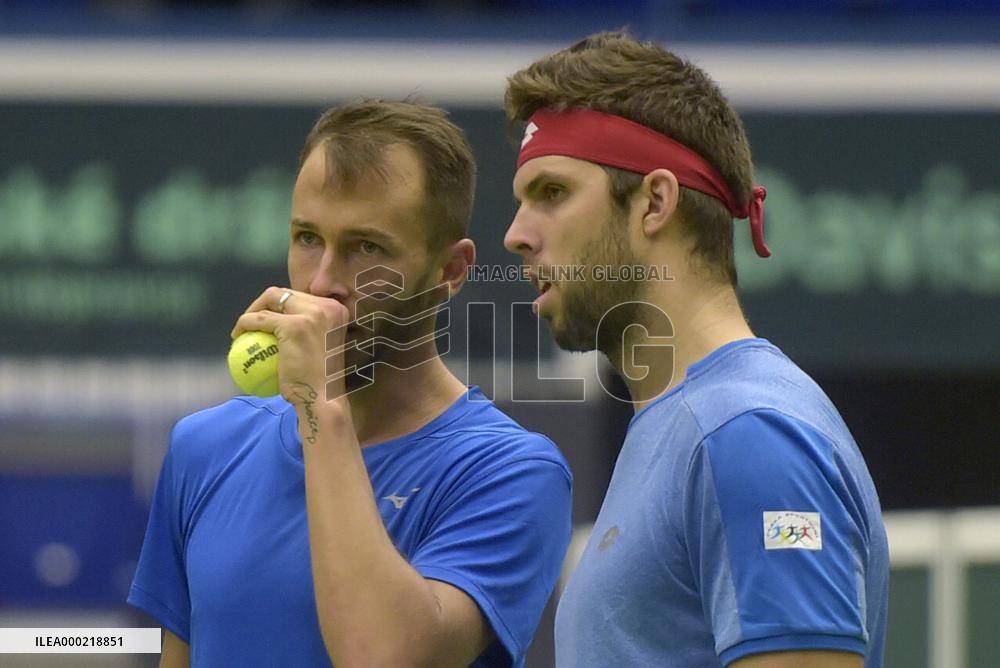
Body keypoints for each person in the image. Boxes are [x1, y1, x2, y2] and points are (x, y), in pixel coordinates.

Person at [128, 100, 573, 668]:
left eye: (368, 248)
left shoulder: (512, 474)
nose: (322, 282)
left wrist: (319, 404)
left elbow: (383, 658)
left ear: (452, 271)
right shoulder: (204, 447)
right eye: (308, 237)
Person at [503, 31, 888, 667]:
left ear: (655, 202)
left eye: (552, 193)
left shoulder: (747, 435)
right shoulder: (692, 429)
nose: (516, 235)